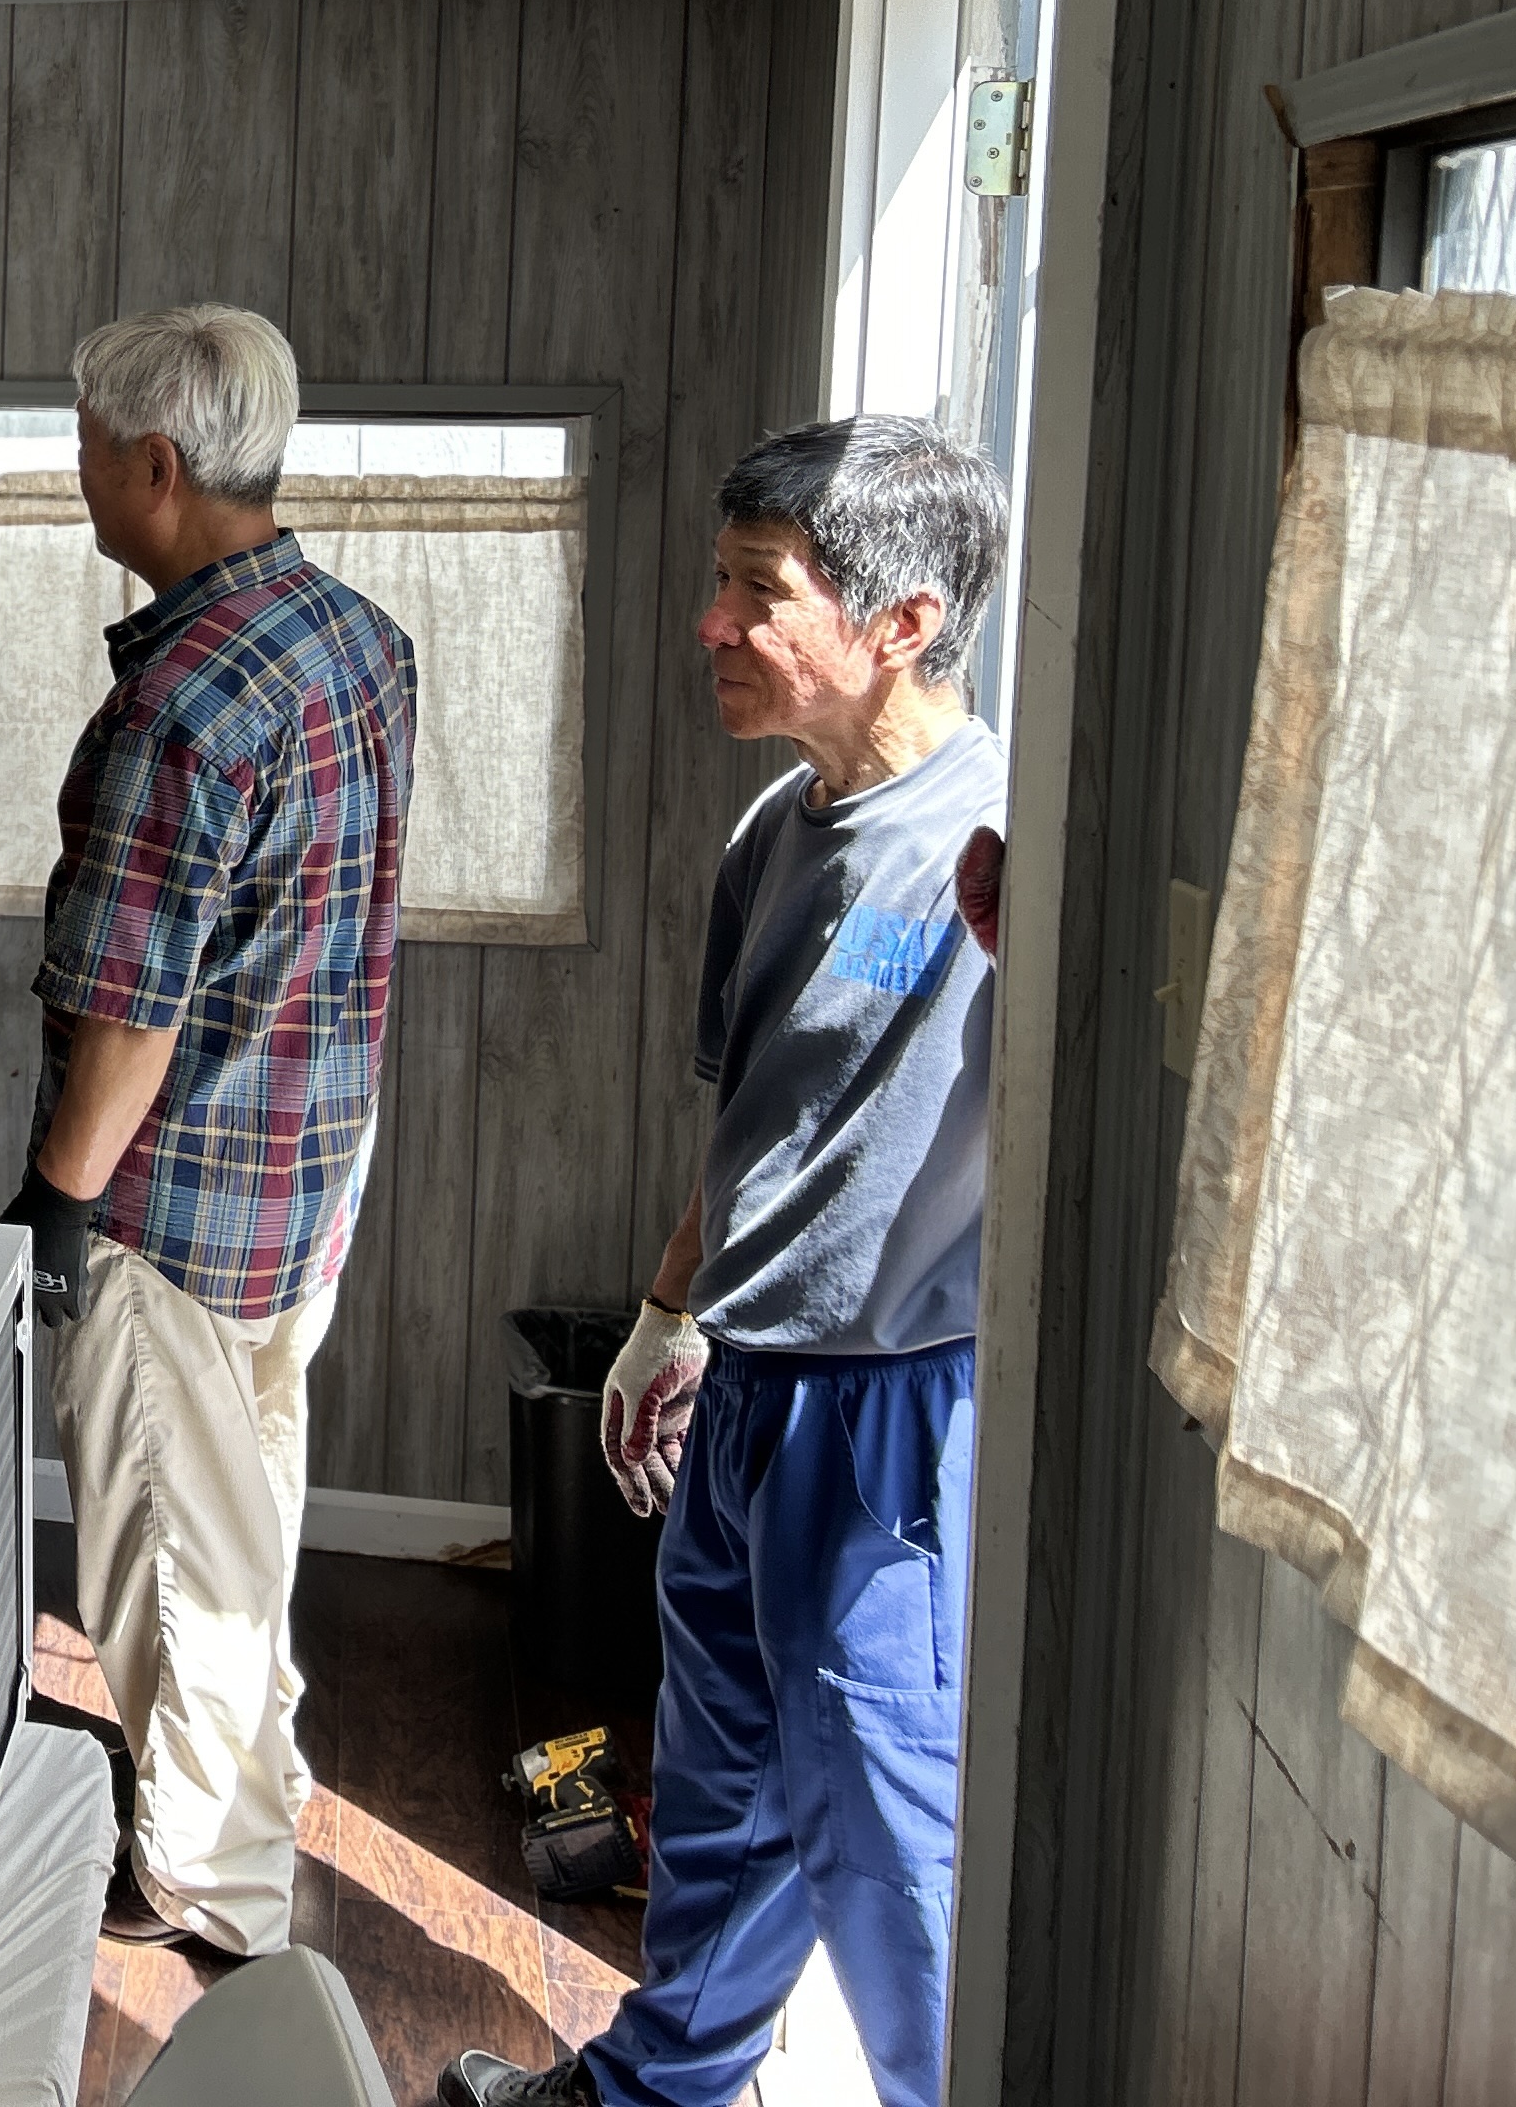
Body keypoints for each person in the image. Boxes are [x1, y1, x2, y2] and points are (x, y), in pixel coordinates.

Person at [442, 415, 1011, 2107]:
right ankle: (655, 2088)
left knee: (887, 1842)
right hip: (745, 1397)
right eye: (721, 579)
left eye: (757, 588)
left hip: (890, 1421)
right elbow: (752, 1119)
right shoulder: (773, 834)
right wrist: (665, 1313)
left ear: (901, 620)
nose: (711, 622)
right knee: (718, 1802)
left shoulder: (1006, 849)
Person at [0, 304, 416, 1961]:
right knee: (247, 1528)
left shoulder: (182, 700)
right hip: (305, 1181)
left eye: (89, 445)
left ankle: (204, 1885)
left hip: (171, 1205)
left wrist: (51, 1203)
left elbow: (133, 1007)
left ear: (155, 466)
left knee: (172, 1551)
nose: (81, 472)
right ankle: (252, 1801)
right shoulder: (358, 639)